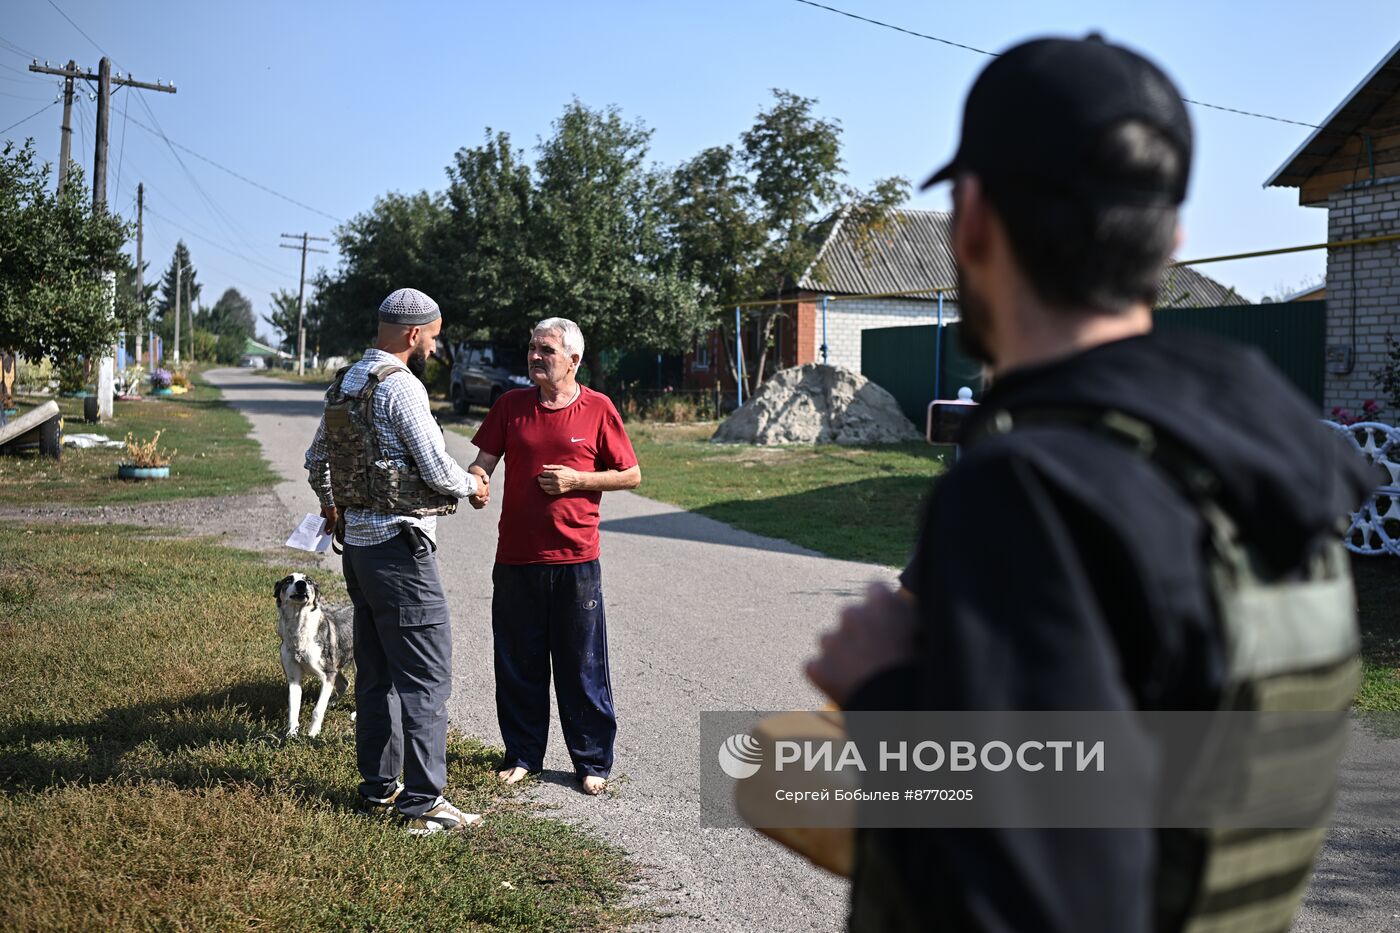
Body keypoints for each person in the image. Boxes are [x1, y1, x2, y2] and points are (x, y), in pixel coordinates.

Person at [804, 36, 1375, 932]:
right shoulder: (1256, 467)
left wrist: (880, 694)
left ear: (976, 219)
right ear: (1170, 236)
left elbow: (1034, 904)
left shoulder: (1034, 492)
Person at [304, 286, 491, 835]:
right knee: (427, 676)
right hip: (401, 551)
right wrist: (472, 486)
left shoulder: (345, 383)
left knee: (378, 672)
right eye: (433, 336)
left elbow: (317, 460)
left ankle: (379, 789)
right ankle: (423, 804)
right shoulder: (402, 388)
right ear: (413, 334)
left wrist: (334, 505)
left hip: (358, 551)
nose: (434, 346)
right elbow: (435, 468)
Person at [467, 317, 640, 796]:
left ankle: (592, 761)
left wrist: (577, 480)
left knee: (581, 665)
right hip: (516, 559)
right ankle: (523, 756)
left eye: (546, 350)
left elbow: (630, 474)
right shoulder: (510, 406)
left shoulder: (599, 409)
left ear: (574, 360)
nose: (535, 356)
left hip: (576, 559)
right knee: (518, 663)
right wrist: (478, 484)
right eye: (532, 348)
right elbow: (482, 462)